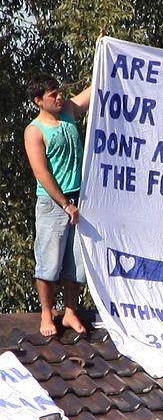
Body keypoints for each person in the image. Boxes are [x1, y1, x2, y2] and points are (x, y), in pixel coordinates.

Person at [24, 74, 91, 336]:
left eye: (59, 92)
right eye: (52, 95)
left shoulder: (68, 113)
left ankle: (71, 312)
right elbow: (42, 173)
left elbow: (91, 90)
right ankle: (46, 313)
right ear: (38, 101)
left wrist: (104, 51)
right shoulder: (34, 131)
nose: (58, 97)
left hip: (79, 199)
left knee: (77, 262)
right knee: (49, 262)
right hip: (53, 204)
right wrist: (65, 204)